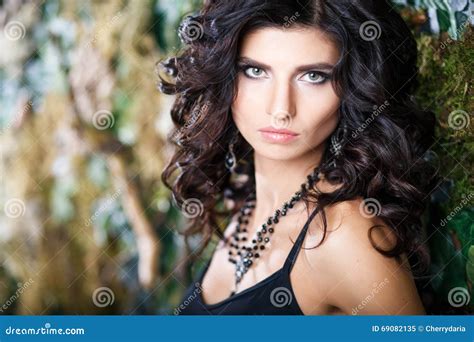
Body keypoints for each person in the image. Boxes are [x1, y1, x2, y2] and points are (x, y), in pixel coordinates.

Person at [159, 0, 437, 315]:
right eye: (255, 71)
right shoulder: (244, 206)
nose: (281, 109)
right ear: (223, 78)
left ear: (352, 89)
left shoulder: (344, 238)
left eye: (313, 77)